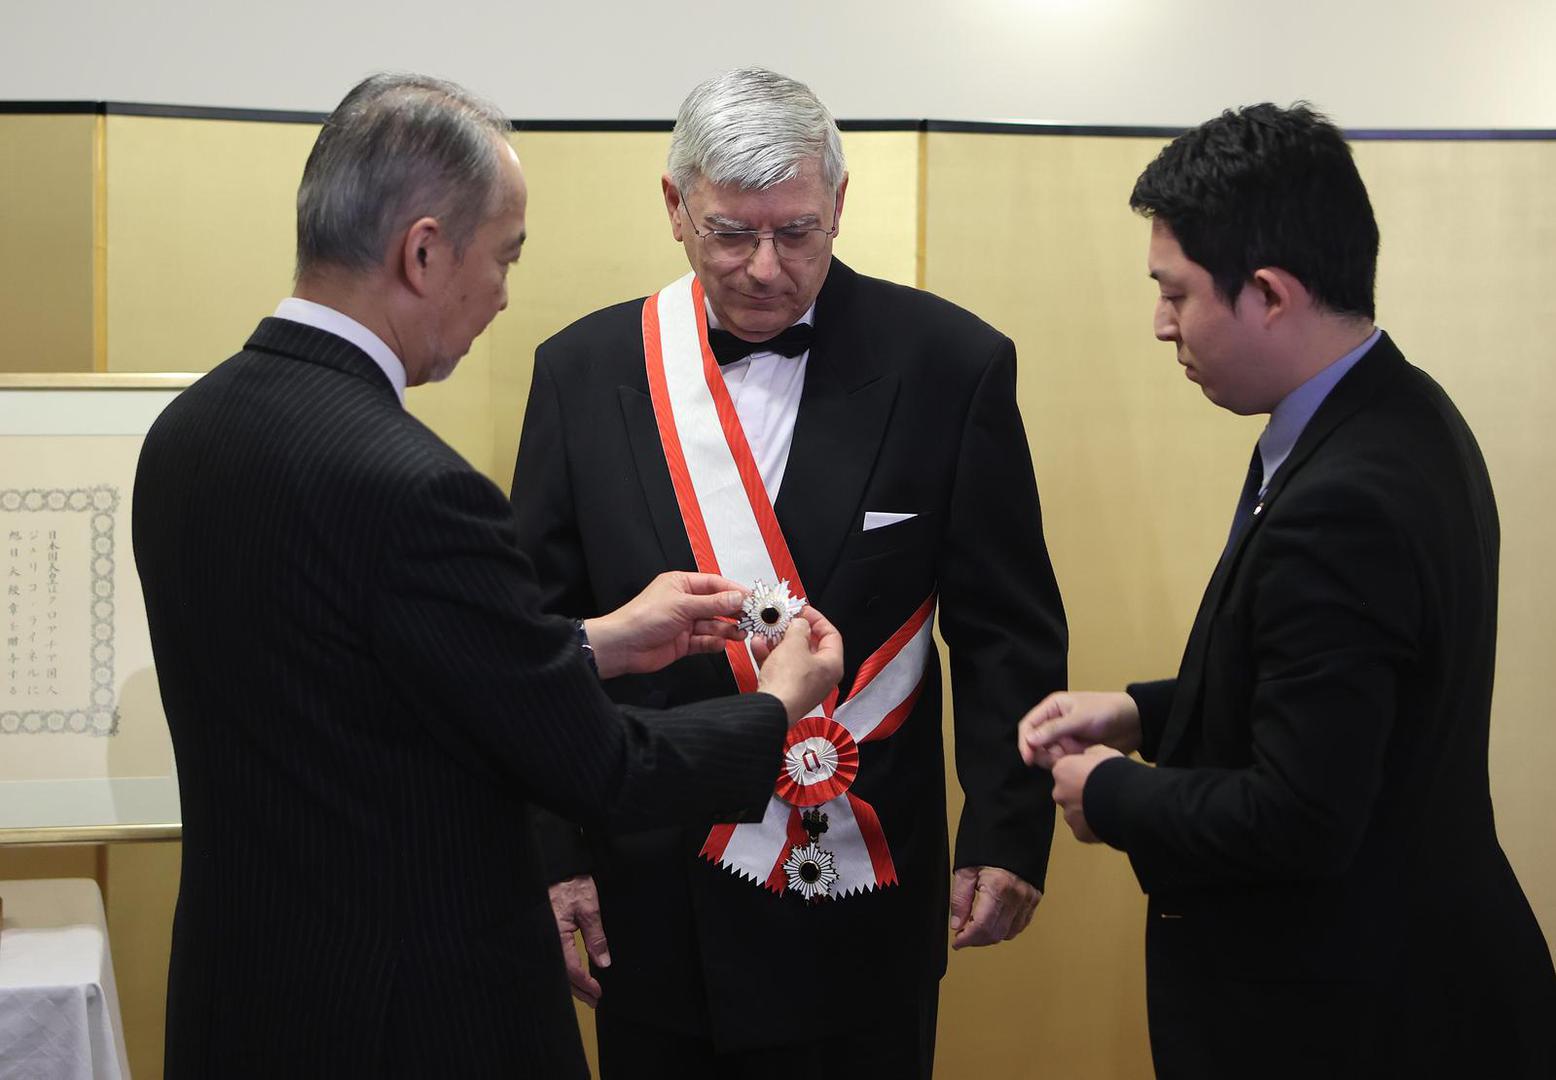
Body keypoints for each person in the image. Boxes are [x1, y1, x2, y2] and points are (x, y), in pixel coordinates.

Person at [132, 73, 845, 1079]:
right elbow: (602, 766)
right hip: (415, 1012)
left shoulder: (188, 435)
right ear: (423, 252)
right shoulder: (414, 487)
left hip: (241, 995)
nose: (505, 295)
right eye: (504, 257)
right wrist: (775, 708)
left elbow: (358, 676)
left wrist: (587, 643)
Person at [510, 67, 1066, 1075]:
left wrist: (1007, 827)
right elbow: (536, 639)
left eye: (797, 231)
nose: (766, 269)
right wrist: (551, 856)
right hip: (649, 889)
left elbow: (1003, 627)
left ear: (840, 204)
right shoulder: (582, 372)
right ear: (674, 206)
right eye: (731, 233)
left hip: (854, 887)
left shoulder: (949, 363)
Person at [1020, 103, 1556, 1078]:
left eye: (1174, 293)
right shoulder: (1399, 412)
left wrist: (1109, 795)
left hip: (1354, 1018)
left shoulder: (1342, 498)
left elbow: (1298, 814)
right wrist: (1138, 715)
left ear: (1266, 293)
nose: (1158, 324)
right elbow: (1331, 700)